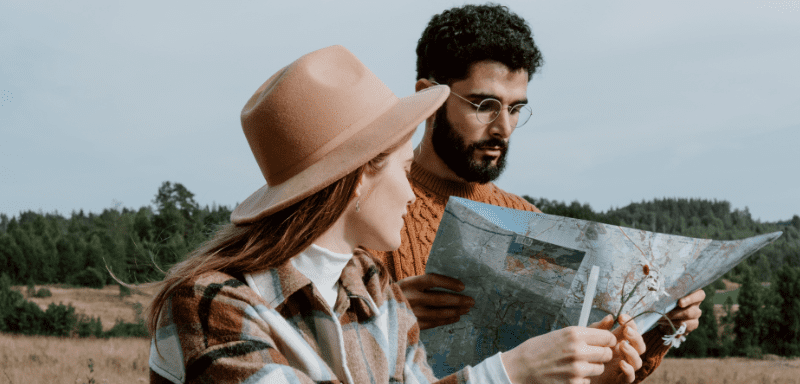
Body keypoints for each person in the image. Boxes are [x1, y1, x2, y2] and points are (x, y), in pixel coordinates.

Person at [146, 45, 644, 384]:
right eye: (405, 170)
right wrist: (508, 373)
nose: (413, 192)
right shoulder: (213, 305)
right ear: (361, 177)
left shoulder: (375, 295)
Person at [371, 3, 706, 383]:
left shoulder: (530, 220)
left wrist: (648, 332)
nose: (504, 128)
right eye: (485, 105)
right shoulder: (365, 210)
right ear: (427, 97)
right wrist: (383, 317)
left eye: (515, 109)